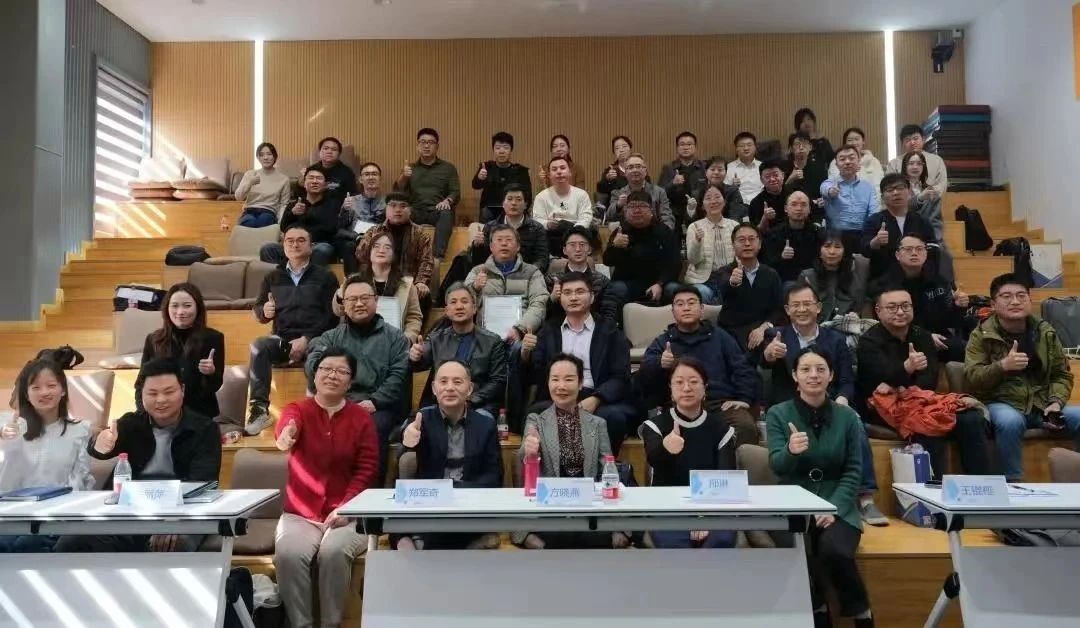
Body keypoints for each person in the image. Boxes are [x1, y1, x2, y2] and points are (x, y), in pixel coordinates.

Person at [56, 358, 222, 554]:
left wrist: (174, 521)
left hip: (182, 513)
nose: (161, 400)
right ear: (141, 394)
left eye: (169, 392)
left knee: (173, 543)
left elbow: (202, 484)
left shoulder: (205, 429)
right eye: (152, 393)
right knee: (72, 541)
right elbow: (101, 447)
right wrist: (99, 445)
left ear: (183, 390)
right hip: (129, 512)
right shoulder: (131, 424)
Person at [755, 283, 887, 526]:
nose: (802, 309)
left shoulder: (835, 339)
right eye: (796, 305)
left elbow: (846, 379)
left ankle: (866, 497)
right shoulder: (775, 335)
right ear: (787, 309)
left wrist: (842, 400)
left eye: (807, 304)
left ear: (818, 307)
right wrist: (768, 354)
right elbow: (760, 364)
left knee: (854, 422)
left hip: (829, 403)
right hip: (790, 406)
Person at [766, 348, 874, 628]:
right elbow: (777, 466)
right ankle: (817, 608)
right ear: (795, 376)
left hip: (838, 501)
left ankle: (861, 611)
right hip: (794, 502)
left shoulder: (847, 417)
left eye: (820, 369)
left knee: (833, 550)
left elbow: (853, 470)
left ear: (831, 375)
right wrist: (790, 451)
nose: (813, 375)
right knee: (800, 552)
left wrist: (833, 508)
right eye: (805, 369)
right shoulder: (778, 413)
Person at [273, 347, 378, 628]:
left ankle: (332, 624)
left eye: (341, 371)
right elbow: (287, 426)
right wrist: (286, 434)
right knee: (289, 554)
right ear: (315, 374)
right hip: (300, 515)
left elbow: (367, 468)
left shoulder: (361, 419)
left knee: (333, 553)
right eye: (326, 369)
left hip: (350, 514)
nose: (332, 375)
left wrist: (347, 506)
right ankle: (301, 624)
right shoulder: (298, 409)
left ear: (350, 381)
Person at [856, 287, 992, 479]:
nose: (900, 312)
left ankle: (982, 484)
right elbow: (877, 379)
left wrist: (901, 384)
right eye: (892, 307)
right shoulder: (868, 342)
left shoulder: (922, 336)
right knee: (926, 424)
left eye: (905, 306)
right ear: (878, 311)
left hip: (920, 400)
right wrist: (907, 368)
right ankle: (933, 489)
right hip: (881, 408)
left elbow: (929, 378)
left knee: (971, 418)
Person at [965, 274, 1080, 480]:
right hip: (1001, 402)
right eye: (1007, 296)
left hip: (1042, 404)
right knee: (1010, 421)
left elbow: (1061, 374)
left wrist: (1055, 402)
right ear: (993, 304)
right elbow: (972, 379)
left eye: (1021, 295)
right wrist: (1002, 366)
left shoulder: (1045, 332)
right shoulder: (981, 335)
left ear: (1029, 299)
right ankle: (1013, 484)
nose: (1015, 301)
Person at [514, 354, 630, 550]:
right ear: (548, 383)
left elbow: (608, 472)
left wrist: (618, 525)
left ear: (580, 383)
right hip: (550, 511)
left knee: (594, 537)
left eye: (568, 379)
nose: (561, 386)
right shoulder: (536, 420)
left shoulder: (597, 424)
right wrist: (529, 452)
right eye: (555, 379)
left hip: (587, 509)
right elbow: (523, 463)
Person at [306, 275, 411, 483]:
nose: (359, 303)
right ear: (344, 305)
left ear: (376, 300)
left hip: (381, 406)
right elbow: (313, 368)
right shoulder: (331, 337)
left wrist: (374, 402)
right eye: (352, 299)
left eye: (365, 298)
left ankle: (371, 493)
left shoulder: (396, 338)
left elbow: (398, 377)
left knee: (371, 426)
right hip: (340, 402)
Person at [523, 271, 636, 453]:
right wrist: (526, 353)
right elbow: (537, 372)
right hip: (559, 395)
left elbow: (620, 376)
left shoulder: (610, 331)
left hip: (598, 396)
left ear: (592, 297)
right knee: (535, 414)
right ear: (560, 299)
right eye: (567, 293)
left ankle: (602, 466)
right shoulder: (549, 330)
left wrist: (597, 399)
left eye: (580, 292)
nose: (573, 297)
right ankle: (553, 468)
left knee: (613, 417)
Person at [396, 361, 503, 550]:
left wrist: (455, 490)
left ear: (469, 389)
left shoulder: (485, 425)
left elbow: (494, 478)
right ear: (434, 388)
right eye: (443, 381)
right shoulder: (421, 419)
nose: (450, 388)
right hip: (430, 506)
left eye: (457, 382)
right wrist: (407, 442)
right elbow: (404, 460)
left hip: (468, 505)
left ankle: (422, 543)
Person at [247, 224, 341, 435]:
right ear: (283, 245)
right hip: (282, 339)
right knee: (258, 346)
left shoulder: (326, 277)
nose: (294, 244)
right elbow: (259, 309)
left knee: (319, 351)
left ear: (311, 246)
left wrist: (307, 339)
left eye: (301, 240)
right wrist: (265, 311)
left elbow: (333, 316)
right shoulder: (272, 277)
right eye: (290, 240)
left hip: (317, 338)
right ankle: (259, 410)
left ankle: (314, 411)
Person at [640, 285, 760, 448]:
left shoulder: (721, 337)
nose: (686, 308)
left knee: (745, 426)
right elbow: (643, 375)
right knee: (659, 432)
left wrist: (743, 399)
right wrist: (659, 363)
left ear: (702, 308)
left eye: (691, 303)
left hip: (719, 405)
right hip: (679, 407)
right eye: (680, 304)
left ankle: (730, 465)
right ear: (673, 311)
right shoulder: (663, 342)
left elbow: (742, 369)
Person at [642, 357, 738, 548]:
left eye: (693, 382)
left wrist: (703, 518)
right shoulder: (655, 426)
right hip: (667, 510)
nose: (686, 388)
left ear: (705, 388)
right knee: (677, 546)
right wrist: (666, 449)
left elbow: (725, 482)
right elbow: (654, 460)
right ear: (670, 388)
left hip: (712, 510)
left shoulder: (721, 429)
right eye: (679, 382)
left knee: (720, 541)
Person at [0, 359, 94, 552]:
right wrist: (2, 433)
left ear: (63, 390)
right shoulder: (8, 422)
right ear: (26, 393)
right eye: (36, 387)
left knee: (26, 545)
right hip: (9, 515)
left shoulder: (80, 430)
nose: (44, 392)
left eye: (51, 385)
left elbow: (81, 481)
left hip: (52, 519)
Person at [410, 283, 508, 417]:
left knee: (480, 421)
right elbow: (418, 364)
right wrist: (415, 357)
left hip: (479, 405)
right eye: (453, 302)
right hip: (442, 403)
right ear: (446, 311)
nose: (459, 306)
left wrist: (470, 400)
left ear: (474, 308)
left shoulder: (493, 341)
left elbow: (498, 381)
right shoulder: (436, 339)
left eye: (464, 301)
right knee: (415, 423)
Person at [874, 234, 968, 362]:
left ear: (926, 253)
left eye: (919, 249)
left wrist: (958, 306)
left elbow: (949, 321)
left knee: (967, 348)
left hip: (938, 336)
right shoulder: (886, 285)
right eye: (908, 249)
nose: (914, 253)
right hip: (901, 339)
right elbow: (888, 322)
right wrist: (925, 336)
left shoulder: (937, 280)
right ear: (897, 255)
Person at [139, 283, 224, 420]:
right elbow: (141, 384)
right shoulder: (153, 339)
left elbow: (215, 386)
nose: (180, 312)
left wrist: (210, 374)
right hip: (161, 416)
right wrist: (143, 415)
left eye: (187, 305)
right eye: (174, 306)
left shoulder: (213, 338)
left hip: (199, 416)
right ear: (166, 308)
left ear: (198, 308)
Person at [464, 224, 550, 342]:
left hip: (521, 338)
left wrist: (520, 330)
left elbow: (539, 304)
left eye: (509, 240)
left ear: (518, 246)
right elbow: (463, 303)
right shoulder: (478, 271)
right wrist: (475, 288)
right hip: (484, 338)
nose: (504, 244)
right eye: (499, 240)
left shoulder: (532, 272)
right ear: (491, 247)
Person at [603, 191, 681, 317]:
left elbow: (675, 263)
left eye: (642, 206)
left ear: (651, 210)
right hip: (628, 283)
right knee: (615, 289)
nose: (637, 210)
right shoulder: (620, 231)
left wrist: (660, 284)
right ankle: (612, 325)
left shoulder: (663, 231)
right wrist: (615, 246)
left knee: (675, 290)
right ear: (625, 211)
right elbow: (607, 261)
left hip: (660, 283)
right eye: (632, 206)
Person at [335, 232, 422, 343]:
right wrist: (340, 295)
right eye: (376, 246)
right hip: (357, 339)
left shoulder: (407, 284)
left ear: (394, 254)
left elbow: (414, 317)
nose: (381, 250)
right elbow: (338, 311)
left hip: (394, 341)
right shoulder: (354, 280)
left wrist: (406, 339)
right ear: (369, 252)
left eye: (387, 247)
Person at [710, 223, 783, 351]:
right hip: (731, 332)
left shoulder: (771, 274)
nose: (747, 244)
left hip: (762, 331)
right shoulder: (724, 272)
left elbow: (778, 309)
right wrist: (733, 282)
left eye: (751, 239)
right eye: (741, 240)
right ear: (733, 245)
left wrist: (763, 328)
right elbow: (723, 287)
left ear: (760, 244)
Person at [355, 192, 435, 306]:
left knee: (423, 296)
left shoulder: (420, 233)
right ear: (386, 209)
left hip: (409, 283)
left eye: (403, 206)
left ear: (410, 210)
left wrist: (421, 282)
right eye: (393, 205)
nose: (398, 210)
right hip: (378, 281)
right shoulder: (374, 231)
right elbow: (361, 256)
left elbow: (426, 261)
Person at [394, 127, 460, 259]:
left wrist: (447, 201)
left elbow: (455, 192)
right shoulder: (410, 168)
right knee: (402, 212)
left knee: (446, 213)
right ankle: (403, 256)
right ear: (418, 146)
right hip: (416, 210)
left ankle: (437, 257)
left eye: (430, 142)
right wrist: (403, 177)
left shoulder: (448, 168)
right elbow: (397, 192)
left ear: (437, 146)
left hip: (437, 210)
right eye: (423, 142)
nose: (426, 146)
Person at [262, 165, 343, 266]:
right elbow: (283, 227)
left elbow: (331, 228)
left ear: (326, 184)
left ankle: (309, 276)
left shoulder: (333, 204)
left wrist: (309, 219)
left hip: (318, 245)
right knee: (268, 248)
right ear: (304, 183)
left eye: (319, 178)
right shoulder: (294, 204)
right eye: (311, 178)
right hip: (294, 245)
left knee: (322, 250)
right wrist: (292, 214)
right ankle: (282, 274)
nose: (314, 181)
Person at [862, 173, 938, 281]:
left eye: (900, 188)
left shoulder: (921, 221)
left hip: (919, 278)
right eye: (889, 190)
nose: (896, 192)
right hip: (884, 279)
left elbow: (933, 248)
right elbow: (864, 250)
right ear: (882, 197)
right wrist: (875, 242)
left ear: (910, 192)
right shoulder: (873, 221)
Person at [467, 183, 548, 273]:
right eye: (509, 199)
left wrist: (529, 273)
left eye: (518, 199)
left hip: (526, 275)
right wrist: (478, 246)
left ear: (525, 204)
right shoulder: (490, 227)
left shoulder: (537, 228)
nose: (513, 203)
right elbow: (479, 261)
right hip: (496, 274)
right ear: (503, 203)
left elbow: (542, 259)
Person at [679, 184, 738, 304]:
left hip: (730, 277)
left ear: (724, 201)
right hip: (703, 280)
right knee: (702, 293)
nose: (713, 201)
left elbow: (741, 256)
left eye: (717, 197)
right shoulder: (694, 227)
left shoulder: (735, 226)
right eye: (708, 198)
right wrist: (697, 241)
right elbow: (693, 260)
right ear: (702, 205)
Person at [546, 226, 617, 324]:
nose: (578, 249)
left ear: (590, 249)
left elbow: (609, 315)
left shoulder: (602, 281)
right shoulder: (552, 280)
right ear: (564, 250)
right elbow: (543, 314)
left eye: (582, 244)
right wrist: (551, 300)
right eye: (572, 245)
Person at [799, 231, 870, 320]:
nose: (832, 252)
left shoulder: (858, 271)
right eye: (827, 246)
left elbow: (863, 304)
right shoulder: (807, 276)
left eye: (837, 247)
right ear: (819, 251)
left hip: (850, 322)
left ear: (845, 251)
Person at [532, 156, 594, 257]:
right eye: (554, 169)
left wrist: (573, 232)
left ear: (570, 172)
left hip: (577, 233)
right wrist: (547, 224)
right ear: (549, 175)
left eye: (562, 168)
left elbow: (586, 218)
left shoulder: (581, 194)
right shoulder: (541, 197)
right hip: (552, 235)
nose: (559, 172)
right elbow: (537, 219)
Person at [820, 145, 877, 254]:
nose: (847, 162)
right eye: (842, 159)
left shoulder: (868, 186)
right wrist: (831, 191)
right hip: (836, 235)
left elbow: (873, 211)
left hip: (862, 233)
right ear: (836, 164)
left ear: (859, 161)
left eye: (851, 158)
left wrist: (871, 230)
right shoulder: (830, 182)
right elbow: (824, 188)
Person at [337, 161, 386, 275]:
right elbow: (340, 230)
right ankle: (352, 279)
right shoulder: (351, 201)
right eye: (367, 174)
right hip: (356, 240)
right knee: (348, 246)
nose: (371, 177)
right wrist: (345, 210)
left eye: (374, 174)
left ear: (380, 178)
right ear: (360, 179)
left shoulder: (387, 202)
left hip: (380, 240)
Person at [472, 131, 532, 222]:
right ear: (493, 150)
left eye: (506, 148)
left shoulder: (520, 171)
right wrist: (480, 178)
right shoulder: (486, 167)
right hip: (490, 210)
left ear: (511, 150)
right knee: (485, 212)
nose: (501, 151)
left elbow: (528, 196)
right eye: (498, 148)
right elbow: (475, 185)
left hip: (514, 209)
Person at [763, 191, 823, 282]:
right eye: (794, 204)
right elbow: (767, 265)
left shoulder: (817, 233)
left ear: (809, 209)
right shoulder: (773, 234)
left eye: (803, 205)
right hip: (785, 281)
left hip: (813, 280)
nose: (799, 208)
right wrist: (782, 257)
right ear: (786, 209)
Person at [605, 153, 674, 231]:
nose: (635, 170)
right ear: (625, 173)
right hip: (627, 234)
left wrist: (665, 233)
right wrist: (618, 205)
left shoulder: (659, 192)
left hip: (654, 233)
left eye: (638, 166)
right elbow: (609, 216)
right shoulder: (618, 193)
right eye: (631, 167)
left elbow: (667, 217)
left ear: (645, 171)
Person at [658, 131, 707, 233]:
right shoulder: (668, 168)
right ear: (677, 148)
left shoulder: (704, 167)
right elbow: (660, 194)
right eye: (682, 144)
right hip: (675, 215)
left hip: (700, 214)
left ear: (695, 147)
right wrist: (673, 183)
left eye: (689, 144)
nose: (686, 147)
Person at [235, 142, 291, 227]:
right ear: (258, 158)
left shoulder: (284, 179)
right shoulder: (250, 174)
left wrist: (280, 224)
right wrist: (249, 183)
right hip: (249, 211)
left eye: (269, 154)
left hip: (269, 212)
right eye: (261, 155)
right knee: (249, 222)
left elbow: (284, 204)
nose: (265, 157)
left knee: (263, 220)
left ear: (275, 156)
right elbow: (238, 197)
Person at [886, 124, 948, 196]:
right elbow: (889, 187)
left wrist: (926, 195)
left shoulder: (937, 160)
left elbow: (942, 185)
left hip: (931, 200)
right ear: (902, 144)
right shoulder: (894, 164)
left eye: (915, 138)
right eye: (907, 140)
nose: (912, 142)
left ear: (923, 139)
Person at [827, 127, 884, 197]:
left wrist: (874, 202)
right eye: (849, 140)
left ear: (863, 141)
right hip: (843, 200)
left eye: (857, 139)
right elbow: (831, 184)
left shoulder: (874, 161)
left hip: (869, 200)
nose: (853, 143)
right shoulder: (836, 162)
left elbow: (878, 186)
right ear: (845, 143)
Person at [901, 150, 945, 241]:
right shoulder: (898, 189)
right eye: (911, 163)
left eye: (919, 164)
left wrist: (934, 241)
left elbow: (936, 222)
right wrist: (919, 198)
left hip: (928, 239)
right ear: (905, 166)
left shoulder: (931, 191)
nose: (915, 167)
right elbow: (900, 210)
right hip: (904, 237)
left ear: (923, 167)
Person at [783, 132, 829, 216]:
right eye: (797, 144)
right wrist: (790, 179)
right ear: (791, 149)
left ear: (810, 147)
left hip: (814, 209)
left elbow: (824, 188)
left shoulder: (819, 167)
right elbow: (779, 193)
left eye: (804, 144)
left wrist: (822, 200)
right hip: (790, 211)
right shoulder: (783, 167)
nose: (801, 147)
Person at [307, 136, 357, 206]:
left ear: (339, 154)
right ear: (320, 152)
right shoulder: (311, 170)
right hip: (313, 207)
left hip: (336, 208)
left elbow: (352, 195)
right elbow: (302, 193)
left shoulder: (347, 172)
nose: (329, 152)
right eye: (326, 148)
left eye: (334, 149)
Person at [690, 157, 742, 222]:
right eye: (712, 169)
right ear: (706, 172)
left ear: (726, 173)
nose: (716, 172)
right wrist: (691, 210)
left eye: (720, 170)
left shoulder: (733, 191)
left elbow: (735, 216)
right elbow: (691, 221)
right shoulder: (697, 192)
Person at [725, 132, 763, 218]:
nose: (746, 148)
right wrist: (732, 187)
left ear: (755, 147)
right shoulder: (728, 167)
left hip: (759, 205)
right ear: (736, 149)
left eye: (749, 145)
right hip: (737, 207)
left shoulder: (763, 167)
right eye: (742, 146)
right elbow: (723, 190)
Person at [595, 135, 633, 212]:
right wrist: (607, 180)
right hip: (616, 208)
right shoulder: (610, 170)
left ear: (630, 148)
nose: (621, 150)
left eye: (624, 146)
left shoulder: (638, 167)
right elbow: (601, 191)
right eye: (617, 148)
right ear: (614, 153)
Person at [747, 160, 787, 231]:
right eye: (767, 176)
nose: (772, 179)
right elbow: (756, 232)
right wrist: (765, 218)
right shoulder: (756, 203)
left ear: (783, 175)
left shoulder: (795, 194)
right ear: (761, 180)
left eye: (776, 175)